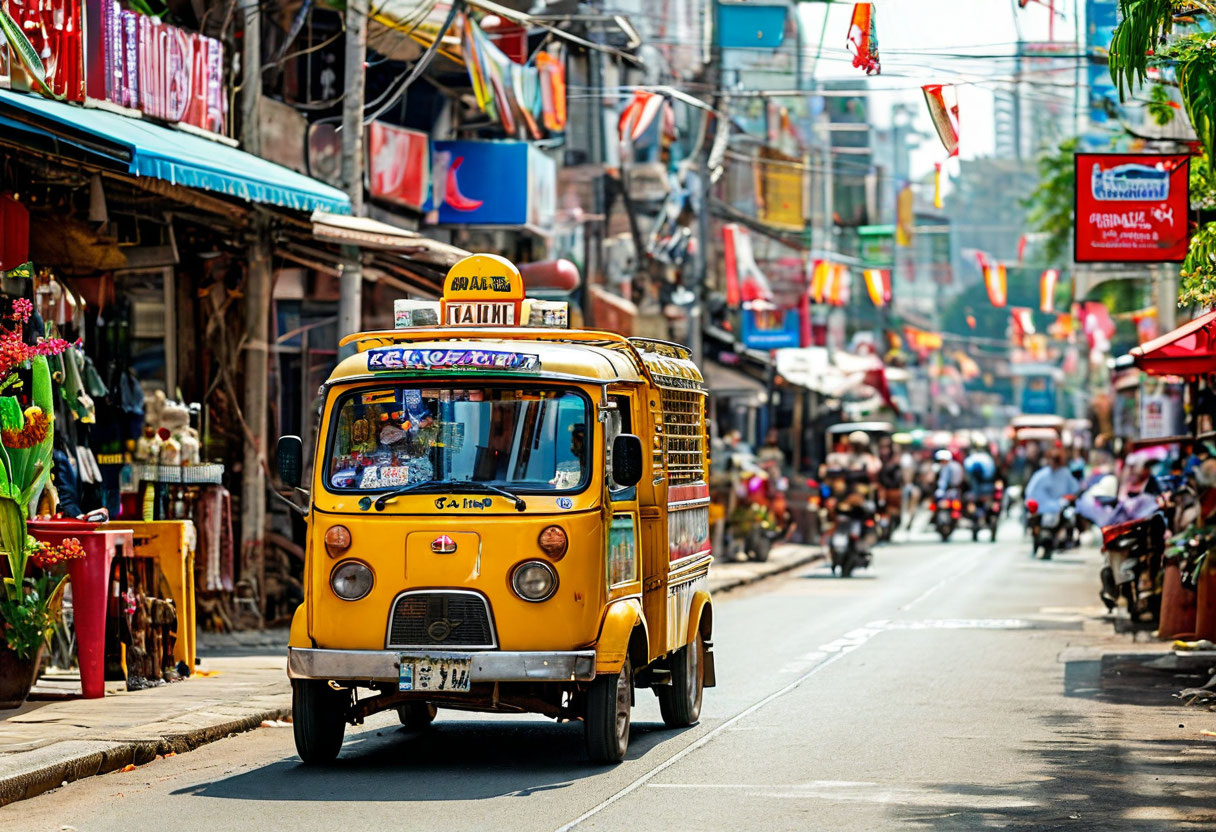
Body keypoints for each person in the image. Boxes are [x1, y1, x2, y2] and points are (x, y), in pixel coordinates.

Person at [1024, 448, 1081, 517]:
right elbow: (1030, 491)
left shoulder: (1065, 473)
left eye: (1055, 460)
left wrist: (1069, 497)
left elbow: (1075, 489)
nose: (1053, 463)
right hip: (1043, 511)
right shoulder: (1042, 474)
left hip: (1060, 510)